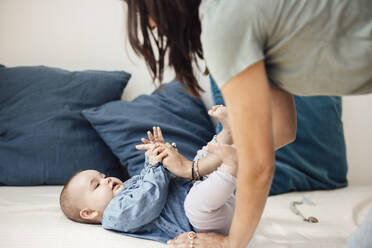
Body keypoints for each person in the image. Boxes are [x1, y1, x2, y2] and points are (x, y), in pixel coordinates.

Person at [123, 0, 372, 247]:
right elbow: (283, 130)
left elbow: (259, 165)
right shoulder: (238, 18)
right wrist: (196, 169)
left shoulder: (223, 21)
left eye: (141, 10)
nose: (150, 25)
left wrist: (230, 244)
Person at [59, 106, 240, 243]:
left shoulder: (129, 185)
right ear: (89, 213)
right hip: (203, 222)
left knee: (200, 160)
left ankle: (227, 134)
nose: (105, 179)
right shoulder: (114, 215)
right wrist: (155, 167)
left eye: (102, 175)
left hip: (211, 196)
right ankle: (231, 166)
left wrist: (159, 155)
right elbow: (148, 200)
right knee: (195, 204)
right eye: (96, 185)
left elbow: (154, 179)